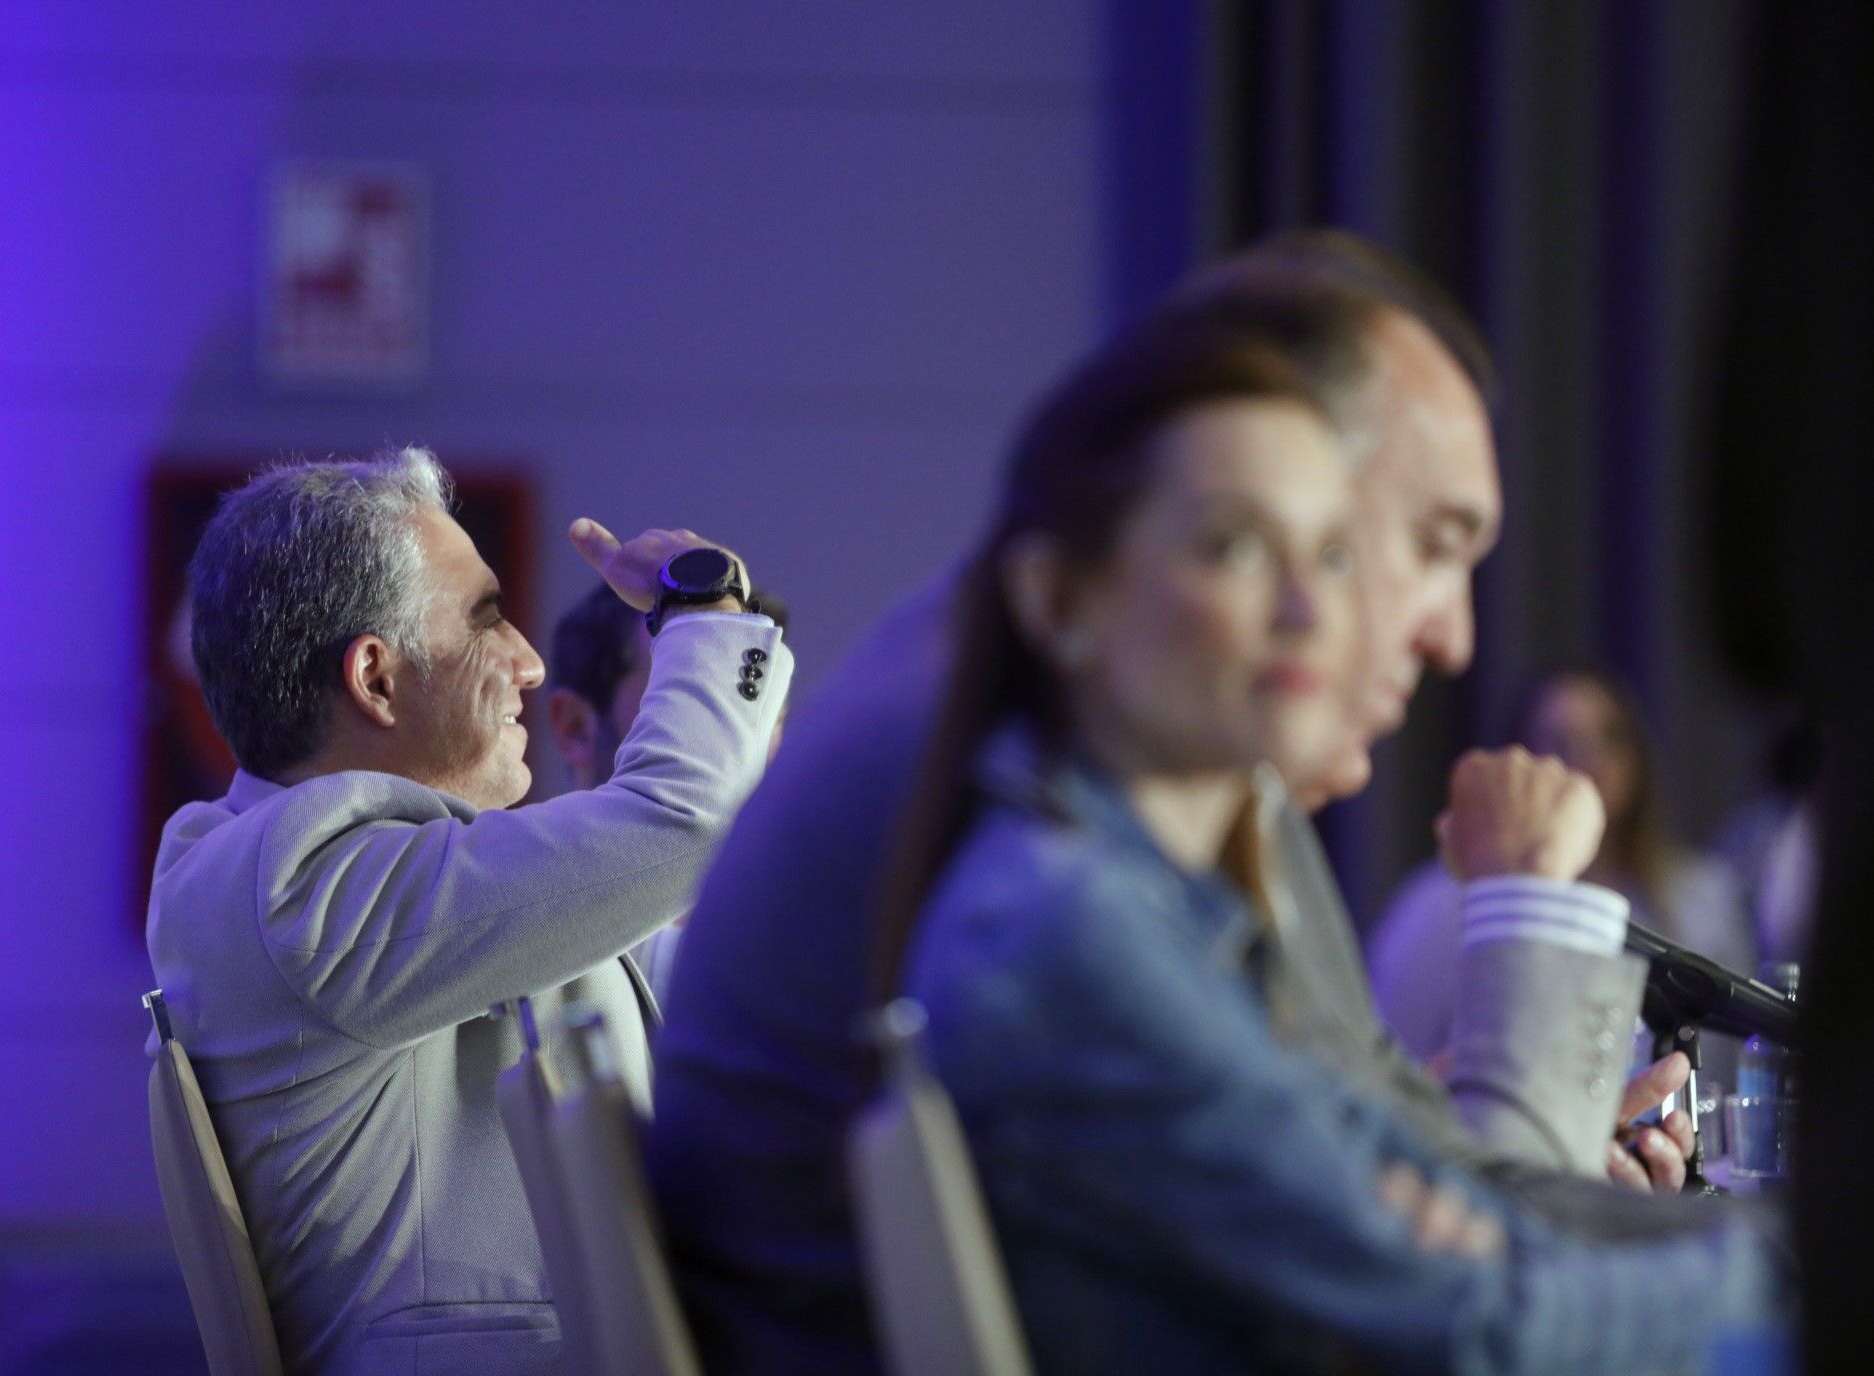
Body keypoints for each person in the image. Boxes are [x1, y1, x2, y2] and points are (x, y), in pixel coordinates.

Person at [647, 232, 1695, 1374]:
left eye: (1333, 557)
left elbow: (1400, 1188)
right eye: (1429, 543)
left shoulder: (1060, 752)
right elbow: (1452, 1303)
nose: (1448, 634)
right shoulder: (1057, 867)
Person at [880, 307, 1781, 1374]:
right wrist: (1843, 1269)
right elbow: (1482, 1324)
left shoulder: (1140, 893)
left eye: (1334, 553)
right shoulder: (1069, 933)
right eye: (1233, 545)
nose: (1312, 607)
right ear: (1057, 595)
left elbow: (1458, 1235)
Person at [144, 447, 790, 1376]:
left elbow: (672, 943)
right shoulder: (299, 879)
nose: (528, 661)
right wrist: (704, 609)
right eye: (488, 621)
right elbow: (680, 827)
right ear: (375, 678)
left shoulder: (311, 881)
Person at [1370, 668, 1755, 1085]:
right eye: (1559, 743)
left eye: (1608, 739)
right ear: (1518, 765)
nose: (1588, 762)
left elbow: (1735, 1070)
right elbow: (1395, 1063)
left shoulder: (1701, 899)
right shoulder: (1440, 905)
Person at [543, 583, 791, 1001]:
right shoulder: (513, 939)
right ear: (576, 727)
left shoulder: (818, 944)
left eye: (766, 717)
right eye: (691, 703)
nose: (742, 746)